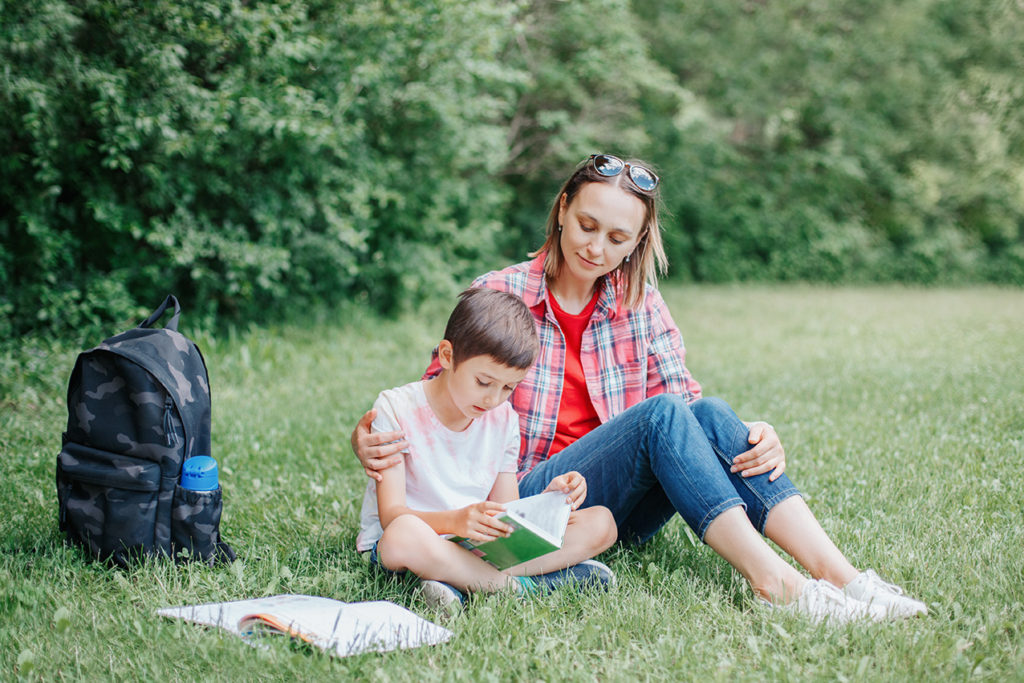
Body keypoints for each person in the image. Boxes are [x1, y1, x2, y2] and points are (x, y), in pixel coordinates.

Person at [353, 154, 927, 624]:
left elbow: (689, 406)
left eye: (617, 236)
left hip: (602, 503)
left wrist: (756, 438)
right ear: (561, 211)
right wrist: (368, 432)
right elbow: (441, 394)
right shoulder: (501, 292)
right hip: (521, 499)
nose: (596, 247)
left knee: (711, 413)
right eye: (586, 225)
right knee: (661, 416)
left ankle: (843, 579)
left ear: (637, 241)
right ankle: (776, 583)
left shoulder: (640, 303)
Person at [356, 287, 618, 612]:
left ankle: (458, 583)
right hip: (412, 540)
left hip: (474, 545)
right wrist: (455, 521)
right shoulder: (396, 408)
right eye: (483, 382)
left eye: (508, 387)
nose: (493, 399)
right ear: (447, 356)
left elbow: (508, 510)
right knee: (402, 534)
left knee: (602, 522)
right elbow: (392, 515)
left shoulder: (503, 420)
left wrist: (550, 502)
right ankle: (523, 589)